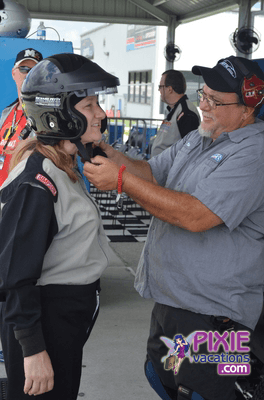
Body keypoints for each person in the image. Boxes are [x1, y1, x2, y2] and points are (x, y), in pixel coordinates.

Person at [82, 55, 264, 400]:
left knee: (204, 393)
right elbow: (150, 173)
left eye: (215, 100)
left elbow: (196, 216)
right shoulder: (200, 137)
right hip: (174, 301)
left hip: (216, 315)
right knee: (163, 378)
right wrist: (106, 151)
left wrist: (119, 181)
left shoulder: (255, 153)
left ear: (247, 108)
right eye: (203, 95)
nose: (204, 105)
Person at [0, 53, 119, 399]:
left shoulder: (65, 163)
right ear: (59, 114)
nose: (99, 114)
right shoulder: (37, 181)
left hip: (64, 323)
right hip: (44, 327)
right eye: (89, 105)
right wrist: (33, 351)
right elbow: (14, 276)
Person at [0, 48, 43, 185]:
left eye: (34, 70)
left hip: (21, 197)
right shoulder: (7, 112)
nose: (28, 74)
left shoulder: (47, 115)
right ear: (14, 73)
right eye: (23, 68)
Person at [150, 69, 200, 157]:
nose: (159, 90)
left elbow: (190, 150)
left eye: (160, 86)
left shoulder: (186, 113)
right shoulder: (175, 109)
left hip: (170, 169)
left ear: (169, 89)